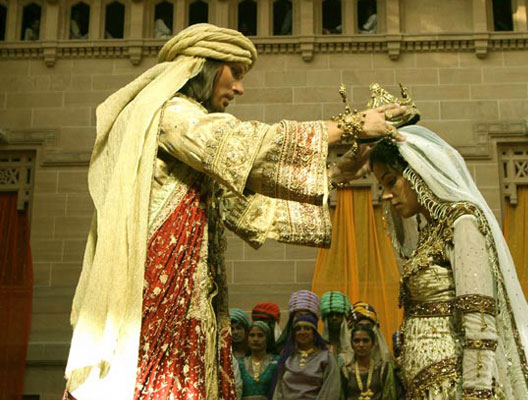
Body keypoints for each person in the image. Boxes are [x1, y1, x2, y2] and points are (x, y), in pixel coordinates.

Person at [62, 24, 406, 400]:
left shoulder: (199, 158)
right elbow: (245, 145)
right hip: (158, 292)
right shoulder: (171, 115)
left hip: (192, 295)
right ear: (204, 69)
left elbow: (252, 210)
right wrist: (352, 125)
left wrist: (339, 173)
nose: (239, 88)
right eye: (236, 73)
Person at [367, 85, 528, 399]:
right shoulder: (430, 234)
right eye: (382, 186)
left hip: (456, 387)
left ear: (418, 172)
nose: (386, 195)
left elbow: (479, 318)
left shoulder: (462, 223)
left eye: (391, 181)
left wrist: (475, 391)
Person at [272, 314, 341, 400]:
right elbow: (279, 389)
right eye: (298, 329)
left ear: (314, 333)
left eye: (307, 329)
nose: (302, 332)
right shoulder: (287, 357)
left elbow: (331, 388)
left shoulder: (326, 357)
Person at [341, 325, 396, 400]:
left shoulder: (383, 369)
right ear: (352, 345)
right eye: (357, 341)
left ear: (373, 344)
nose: (361, 345)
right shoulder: (346, 372)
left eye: (365, 341)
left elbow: (389, 396)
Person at [238, 321, 279, 399]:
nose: (255, 339)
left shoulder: (276, 362)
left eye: (260, 335)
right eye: (252, 335)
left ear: (267, 338)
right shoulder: (239, 363)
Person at [320, 291, 352, 365]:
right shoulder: (318, 343)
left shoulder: (354, 342)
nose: (334, 318)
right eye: (331, 315)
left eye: (338, 315)